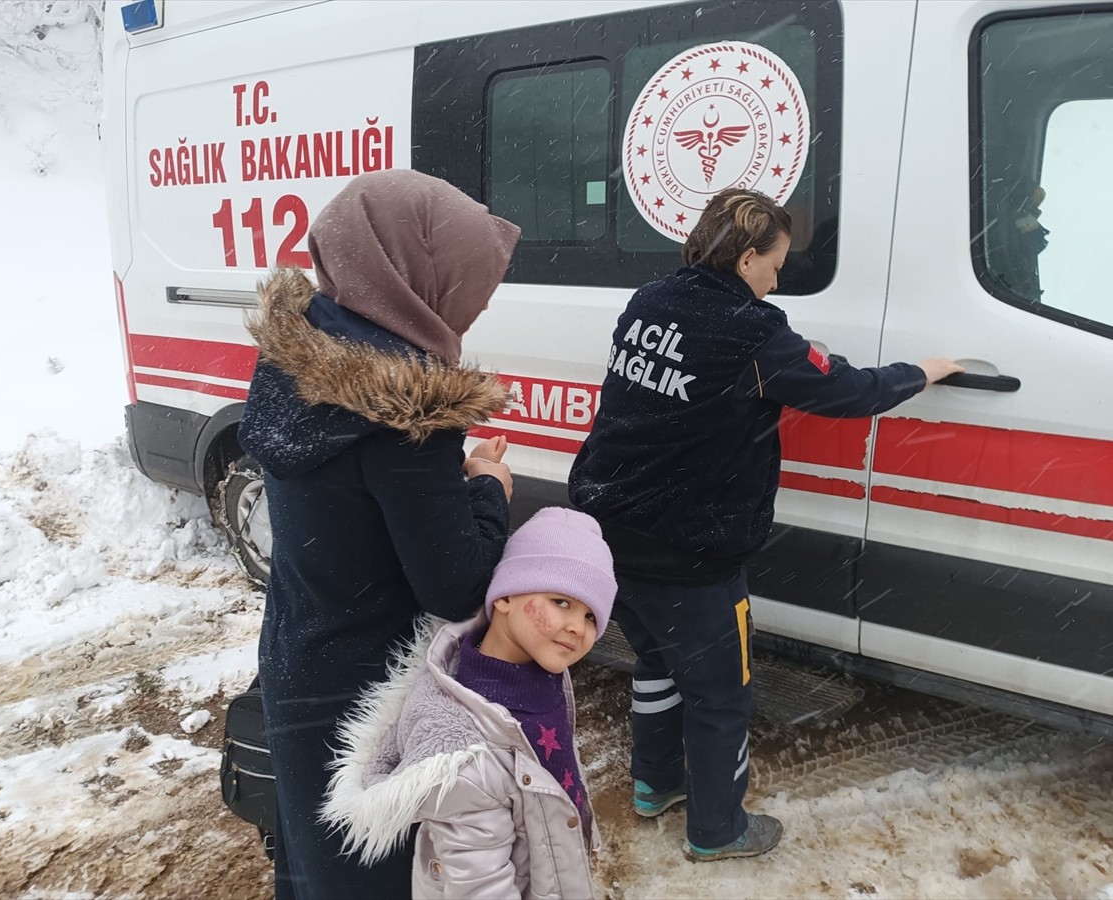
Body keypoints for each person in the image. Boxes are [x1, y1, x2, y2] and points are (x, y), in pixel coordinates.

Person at [567, 188, 964, 863]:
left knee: (658, 664)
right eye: (775, 263)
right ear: (748, 257)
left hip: (610, 527)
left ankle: (654, 787)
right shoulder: (753, 334)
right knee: (722, 693)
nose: (778, 278)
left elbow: (704, 368)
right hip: (688, 549)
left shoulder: (653, 299)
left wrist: (786, 355)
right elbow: (852, 391)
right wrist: (925, 371)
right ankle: (718, 831)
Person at [237, 169, 521, 899]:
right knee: (373, 872)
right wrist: (487, 489)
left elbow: (349, 500)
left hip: (299, 652)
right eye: (468, 289)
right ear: (414, 275)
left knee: (312, 856)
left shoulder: (297, 357)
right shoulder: (406, 414)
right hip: (370, 691)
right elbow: (455, 583)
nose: (474, 308)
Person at [320, 506, 617, 899]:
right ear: (506, 596)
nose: (578, 627)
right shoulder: (464, 754)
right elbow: (481, 888)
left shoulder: (543, 673)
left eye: (592, 616)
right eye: (561, 601)